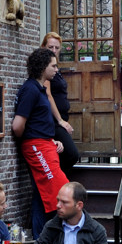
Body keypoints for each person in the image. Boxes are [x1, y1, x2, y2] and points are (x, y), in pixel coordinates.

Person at [13, 47, 70, 239]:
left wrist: (49, 139)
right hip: (37, 146)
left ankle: (40, 242)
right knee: (62, 191)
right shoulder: (30, 90)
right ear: (42, 67)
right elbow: (17, 126)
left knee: (41, 194)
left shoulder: (39, 88)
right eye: (53, 66)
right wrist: (35, 140)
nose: (56, 69)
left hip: (44, 144)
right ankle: (53, 238)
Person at [40, 33, 79, 176]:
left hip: (60, 118)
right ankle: (56, 179)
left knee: (63, 153)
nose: (54, 50)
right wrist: (60, 121)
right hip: (53, 121)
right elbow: (48, 95)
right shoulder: (45, 68)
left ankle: (58, 182)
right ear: (44, 47)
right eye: (50, 47)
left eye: (57, 47)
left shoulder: (55, 67)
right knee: (71, 154)